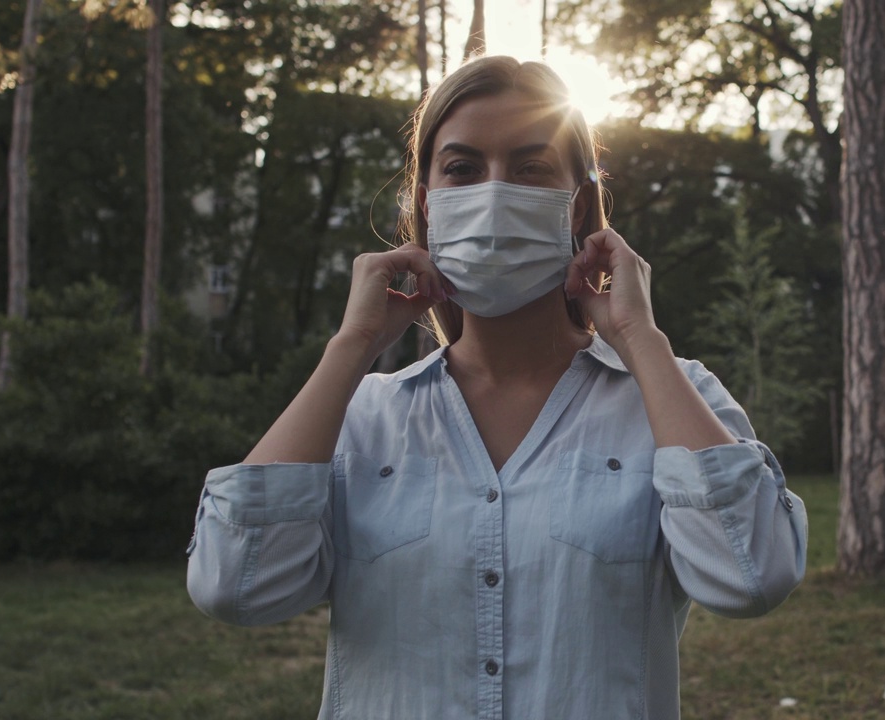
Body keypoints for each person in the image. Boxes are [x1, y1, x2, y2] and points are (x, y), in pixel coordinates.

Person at [186, 55, 807, 719]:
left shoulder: (671, 399)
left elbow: (751, 576)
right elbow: (237, 586)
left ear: (577, 207)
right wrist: (351, 349)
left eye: (531, 167)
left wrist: (640, 340)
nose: (493, 191)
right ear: (428, 203)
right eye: (461, 168)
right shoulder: (362, 417)